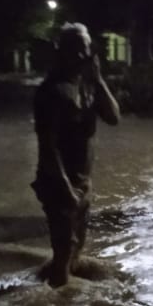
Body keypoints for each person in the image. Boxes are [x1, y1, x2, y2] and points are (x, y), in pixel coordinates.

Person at [32, 23, 121, 287]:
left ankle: (65, 301)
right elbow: (48, 147)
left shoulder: (88, 86)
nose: (84, 55)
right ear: (64, 51)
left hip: (82, 182)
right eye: (78, 49)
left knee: (76, 249)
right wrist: (66, 189)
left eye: (87, 49)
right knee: (63, 253)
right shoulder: (52, 91)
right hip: (59, 182)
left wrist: (99, 80)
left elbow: (114, 118)